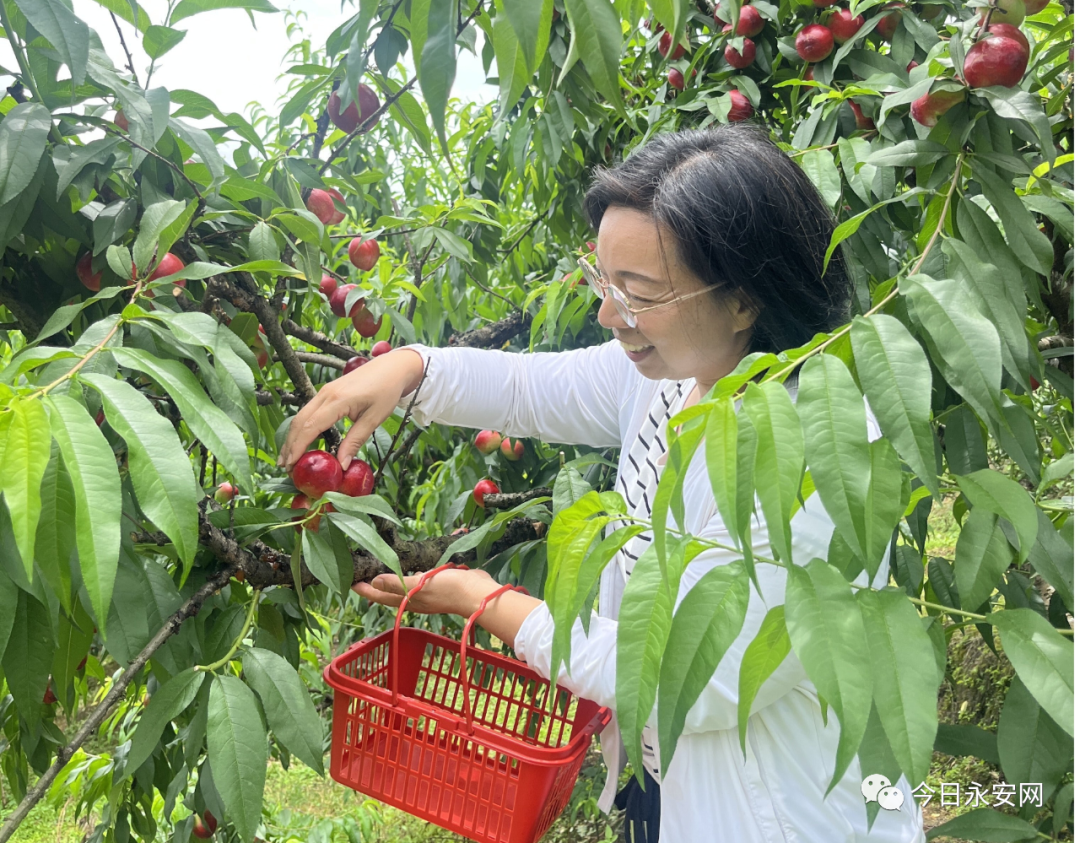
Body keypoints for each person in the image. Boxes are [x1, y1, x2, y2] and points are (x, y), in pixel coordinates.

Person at [279, 125, 926, 843]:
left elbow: (692, 677)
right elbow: (527, 387)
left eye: (639, 293)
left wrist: (483, 601)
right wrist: (411, 367)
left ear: (744, 301)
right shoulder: (678, 373)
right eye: (604, 281)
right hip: (663, 786)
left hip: (779, 815)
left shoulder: (819, 447)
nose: (608, 314)